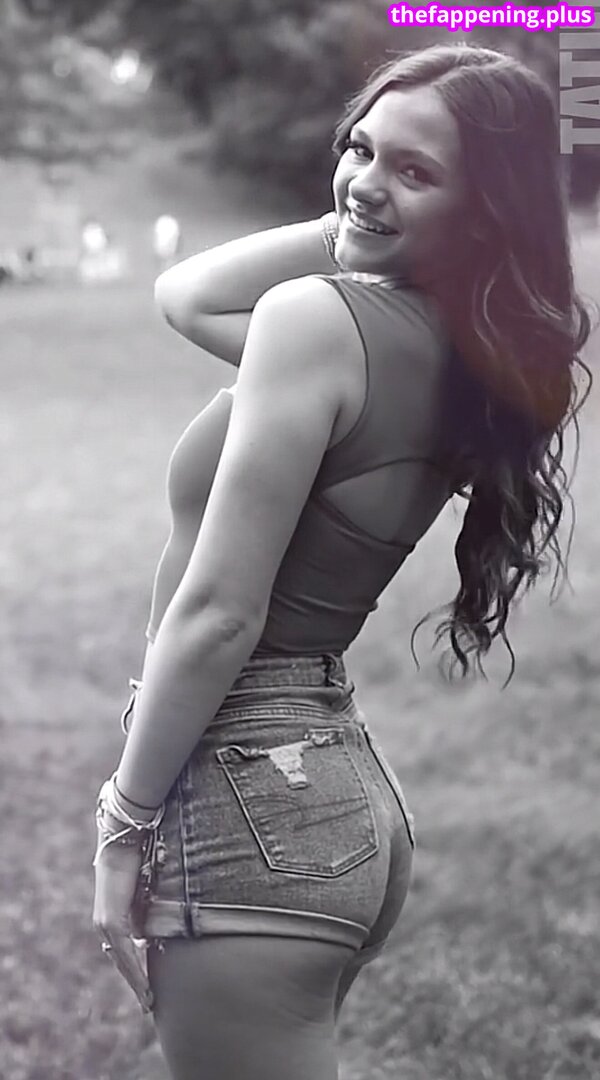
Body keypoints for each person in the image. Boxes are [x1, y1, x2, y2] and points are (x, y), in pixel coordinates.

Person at [93, 43, 593, 1080]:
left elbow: (220, 614)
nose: (365, 177)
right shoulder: (463, 351)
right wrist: (375, 212)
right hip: (331, 788)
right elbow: (186, 296)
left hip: (245, 789)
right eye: (359, 148)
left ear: (486, 211)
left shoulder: (317, 323)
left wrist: (123, 818)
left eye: (416, 169)